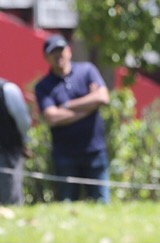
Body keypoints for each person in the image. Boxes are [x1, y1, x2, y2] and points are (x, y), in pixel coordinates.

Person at [34, 34, 111, 203]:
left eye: (61, 50)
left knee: (102, 204)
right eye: (53, 52)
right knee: (67, 206)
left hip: (94, 151)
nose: (58, 55)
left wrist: (67, 105)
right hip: (65, 155)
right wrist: (89, 106)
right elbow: (52, 117)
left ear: (69, 51)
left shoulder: (87, 70)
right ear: (46, 58)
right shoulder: (43, 86)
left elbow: (103, 97)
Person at [0, 77, 31, 205]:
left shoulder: (7, 90)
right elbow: (24, 123)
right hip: (7, 153)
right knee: (10, 200)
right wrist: (24, 139)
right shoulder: (8, 89)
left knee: (9, 200)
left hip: (6, 152)